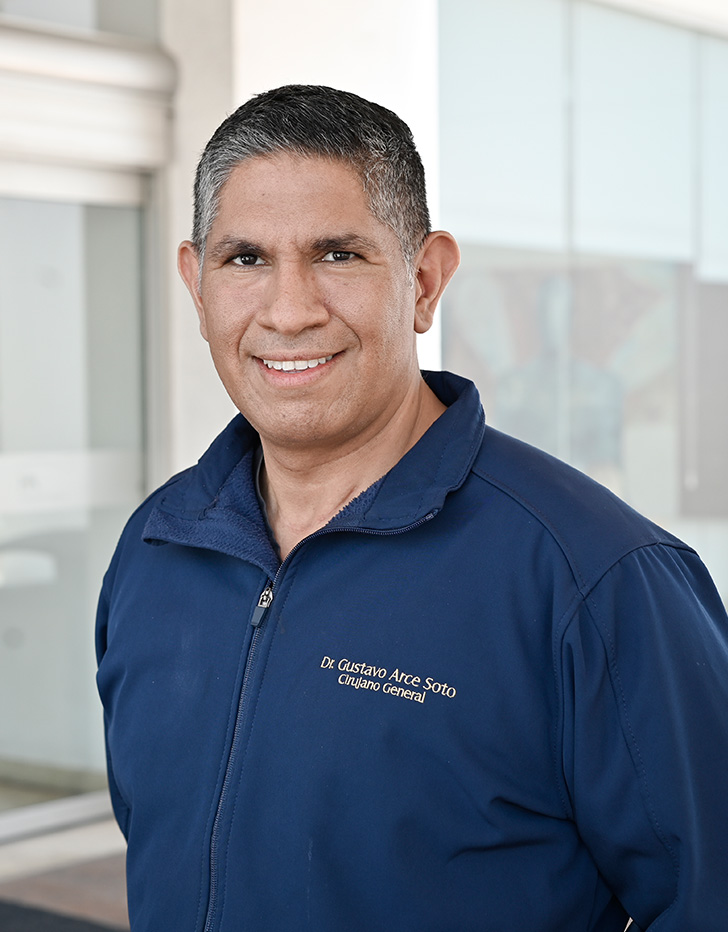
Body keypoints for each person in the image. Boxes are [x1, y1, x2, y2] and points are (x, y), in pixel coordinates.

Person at [95, 85, 728, 932]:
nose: (289, 310)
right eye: (245, 259)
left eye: (338, 255)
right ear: (196, 283)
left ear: (425, 280)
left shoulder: (595, 577)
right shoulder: (155, 550)